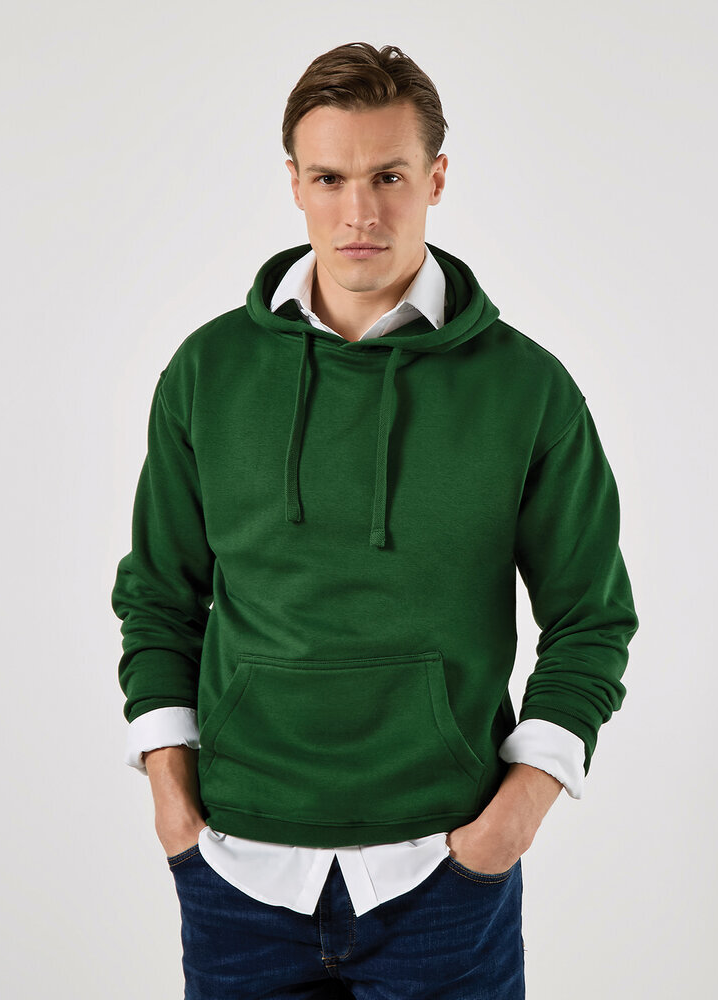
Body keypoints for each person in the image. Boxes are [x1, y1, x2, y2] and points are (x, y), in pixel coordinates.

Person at [111, 41, 638, 1000]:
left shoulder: (526, 389)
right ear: (294, 184)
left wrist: (513, 818)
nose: (359, 212)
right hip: (236, 871)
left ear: (435, 178)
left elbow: (591, 618)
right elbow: (157, 597)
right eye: (330, 178)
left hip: (443, 875)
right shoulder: (206, 373)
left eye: (388, 176)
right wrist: (170, 797)